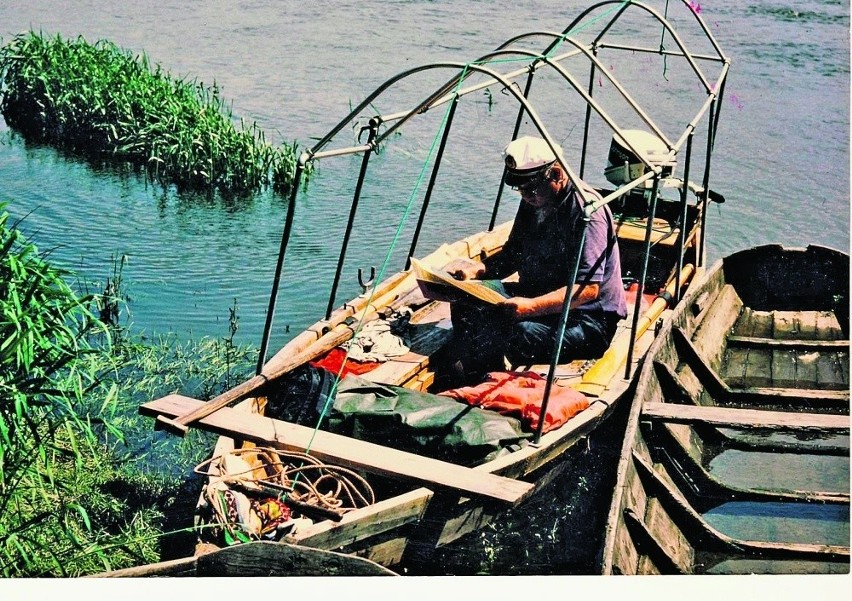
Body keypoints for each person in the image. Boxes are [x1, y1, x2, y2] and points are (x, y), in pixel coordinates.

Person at [442, 135, 627, 382]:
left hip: (587, 319)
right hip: (537, 298)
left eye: (530, 188)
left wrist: (530, 308)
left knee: (521, 333)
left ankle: (491, 376)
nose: (525, 195)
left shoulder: (587, 214)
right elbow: (512, 255)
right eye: (519, 189)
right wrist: (478, 270)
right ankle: (479, 374)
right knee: (466, 298)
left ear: (557, 174)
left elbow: (587, 290)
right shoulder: (533, 201)